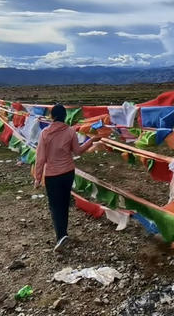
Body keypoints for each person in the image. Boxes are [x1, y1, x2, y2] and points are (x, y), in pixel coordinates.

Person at [34, 103, 101, 252]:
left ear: (51, 116)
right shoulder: (70, 131)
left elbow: (40, 158)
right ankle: (63, 234)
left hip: (52, 175)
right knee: (64, 203)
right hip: (68, 173)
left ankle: (61, 236)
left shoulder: (45, 133)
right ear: (65, 116)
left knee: (55, 206)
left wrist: (37, 178)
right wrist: (91, 140)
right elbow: (78, 151)